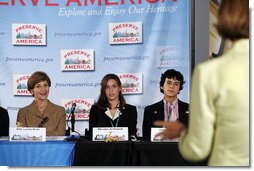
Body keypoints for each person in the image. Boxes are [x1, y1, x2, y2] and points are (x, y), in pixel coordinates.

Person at [155, 0, 249, 166]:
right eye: (168, 83)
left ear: (224, 17)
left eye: (175, 83)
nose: (171, 86)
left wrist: (182, 132)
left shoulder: (209, 72)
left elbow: (198, 148)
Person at [142, 69, 189, 139]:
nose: (172, 86)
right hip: (158, 148)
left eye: (176, 84)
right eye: (169, 83)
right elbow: (146, 137)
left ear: (179, 88)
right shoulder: (150, 110)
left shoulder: (190, 109)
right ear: (162, 86)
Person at [16, 71, 66, 136]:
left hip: (53, 146)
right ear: (31, 91)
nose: (43, 89)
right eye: (38, 86)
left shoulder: (60, 111)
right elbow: (22, 135)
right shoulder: (23, 112)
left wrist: (34, 134)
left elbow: (60, 134)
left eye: (45, 85)